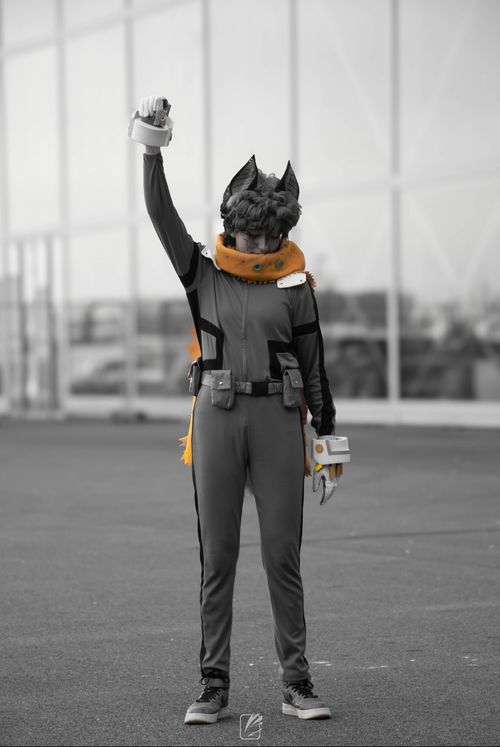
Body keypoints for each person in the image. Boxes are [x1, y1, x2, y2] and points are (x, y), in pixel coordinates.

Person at [138, 95, 342, 724]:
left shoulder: (296, 288)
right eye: (250, 233)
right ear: (232, 225)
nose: (258, 244)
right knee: (218, 555)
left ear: (283, 233)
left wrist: (328, 440)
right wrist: (151, 146)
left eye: (270, 235)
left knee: (283, 553)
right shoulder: (202, 273)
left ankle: (297, 683)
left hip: (280, 421)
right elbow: (161, 213)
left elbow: (313, 367)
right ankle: (213, 683)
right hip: (217, 418)